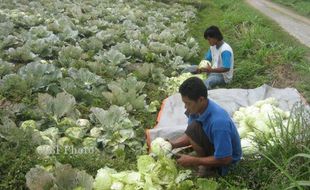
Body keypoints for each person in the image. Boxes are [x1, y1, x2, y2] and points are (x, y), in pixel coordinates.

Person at [169, 77, 242, 177]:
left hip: (227, 163)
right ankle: (204, 162)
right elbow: (192, 134)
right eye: (184, 103)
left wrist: (195, 161)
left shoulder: (219, 122)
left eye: (188, 103)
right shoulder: (196, 110)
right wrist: (173, 144)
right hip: (213, 147)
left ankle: (210, 168)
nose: (185, 107)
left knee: (189, 164)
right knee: (193, 128)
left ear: (201, 99)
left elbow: (226, 159)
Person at [196, 25, 234, 90]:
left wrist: (211, 70)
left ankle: (206, 96)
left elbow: (226, 68)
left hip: (223, 76)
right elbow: (207, 58)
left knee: (206, 83)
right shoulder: (213, 46)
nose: (208, 42)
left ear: (216, 38)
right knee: (189, 69)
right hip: (212, 70)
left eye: (209, 39)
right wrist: (200, 67)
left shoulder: (225, 50)